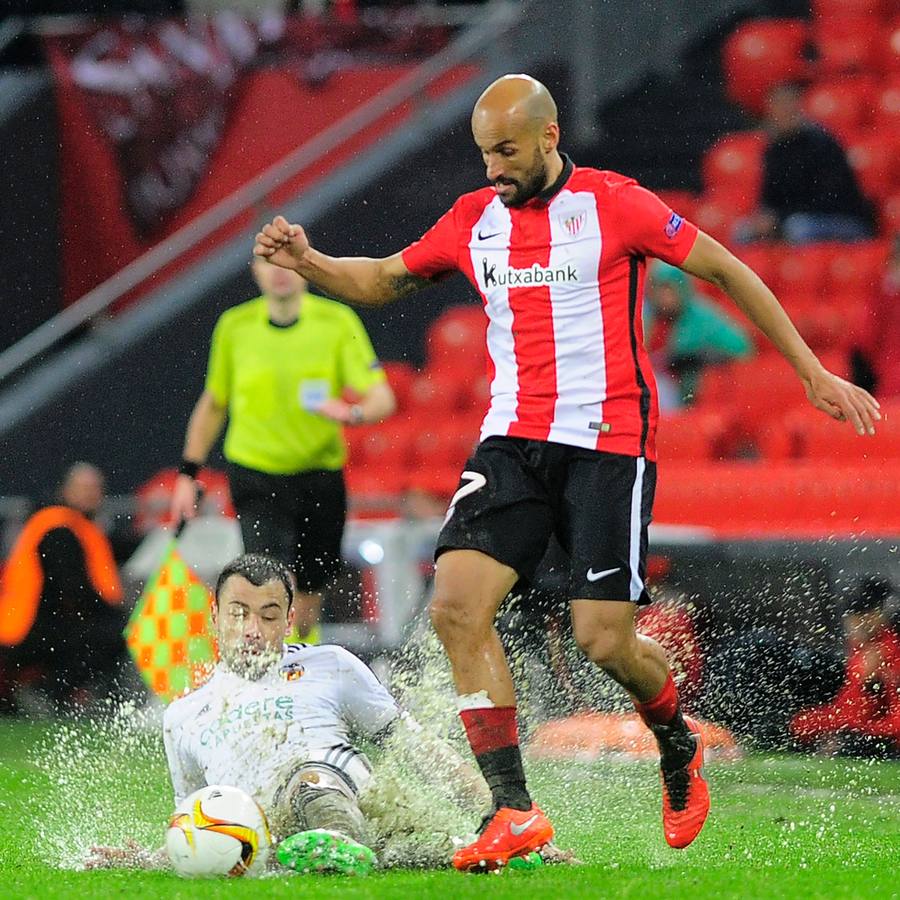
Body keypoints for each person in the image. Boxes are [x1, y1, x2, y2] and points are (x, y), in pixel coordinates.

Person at [252, 73, 881, 871]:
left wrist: (810, 374)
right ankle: (513, 809)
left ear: (549, 137)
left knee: (603, 639)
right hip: (512, 440)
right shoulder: (475, 218)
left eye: (507, 151)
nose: (493, 170)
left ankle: (674, 742)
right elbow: (382, 278)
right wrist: (309, 260)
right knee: (455, 606)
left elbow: (725, 270)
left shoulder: (615, 202)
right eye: (484, 154)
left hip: (607, 443)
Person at [85, 552, 498, 875]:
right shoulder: (183, 716)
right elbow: (198, 814)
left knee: (308, 779)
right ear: (214, 616)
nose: (252, 629)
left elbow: (413, 746)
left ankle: (340, 841)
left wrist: (495, 813)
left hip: (337, 788)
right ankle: (326, 852)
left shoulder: (331, 664)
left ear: (289, 620)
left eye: (268, 615)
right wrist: (150, 858)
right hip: (264, 832)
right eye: (238, 613)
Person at [170, 257, 396, 645]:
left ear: (306, 266)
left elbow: (383, 397)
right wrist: (188, 475)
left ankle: (299, 661)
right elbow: (214, 403)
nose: (279, 270)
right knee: (264, 577)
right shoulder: (234, 326)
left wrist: (352, 412)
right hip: (255, 472)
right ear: (254, 270)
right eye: (267, 261)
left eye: (288, 260)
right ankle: (263, 670)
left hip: (318, 474)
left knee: (309, 590)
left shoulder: (336, 322)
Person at [0, 463, 127, 715]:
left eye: (95, 488)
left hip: (30, 625)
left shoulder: (73, 525)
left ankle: (48, 694)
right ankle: (46, 693)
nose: (90, 494)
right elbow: (72, 588)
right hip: (23, 630)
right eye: (83, 488)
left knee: (105, 632)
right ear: (65, 491)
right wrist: (114, 615)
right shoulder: (58, 528)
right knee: (112, 636)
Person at [736, 82, 874, 244]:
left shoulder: (822, 144)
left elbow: (829, 200)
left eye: (787, 105)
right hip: (792, 218)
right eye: (777, 107)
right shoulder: (774, 149)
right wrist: (764, 218)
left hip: (842, 220)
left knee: (798, 228)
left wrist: (779, 218)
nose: (782, 112)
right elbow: (769, 198)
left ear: (799, 107)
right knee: (742, 231)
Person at [791, 578, 900, 758]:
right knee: (799, 723)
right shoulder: (861, 646)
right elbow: (851, 705)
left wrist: (871, 681)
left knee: (858, 740)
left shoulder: (889, 647)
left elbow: (877, 706)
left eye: (856, 619)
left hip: (882, 725)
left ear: (875, 615)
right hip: (860, 720)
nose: (851, 627)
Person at [644, 260, 753, 409]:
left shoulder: (700, 314)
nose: (664, 297)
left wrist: (700, 355)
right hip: (664, 382)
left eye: (669, 289)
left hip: (697, 386)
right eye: (660, 290)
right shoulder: (648, 317)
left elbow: (743, 349)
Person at [851, 233, 900, 400]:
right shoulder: (883, 295)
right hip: (889, 384)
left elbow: (864, 341)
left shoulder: (885, 296)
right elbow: (864, 341)